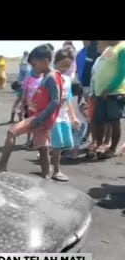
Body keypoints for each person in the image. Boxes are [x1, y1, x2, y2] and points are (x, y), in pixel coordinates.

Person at [0, 44, 63, 179]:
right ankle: (46, 174)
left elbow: (55, 101)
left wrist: (39, 118)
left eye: (35, 65)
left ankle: (2, 164)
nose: (33, 69)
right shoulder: (49, 75)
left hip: (40, 118)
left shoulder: (51, 77)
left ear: (45, 61)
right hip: (43, 117)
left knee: (12, 132)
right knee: (42, 146)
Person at [48, 48, 80, 182]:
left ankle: (48, 158)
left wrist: (73, 117)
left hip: (64, 115)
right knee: (58, 144)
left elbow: (68, 100)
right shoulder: (50, 77)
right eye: (62, 65)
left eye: (68, 65)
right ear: (55, 62)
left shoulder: (67, 79)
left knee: (66, 143)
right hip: (52, 116)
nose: (65, 68)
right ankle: (56, 170)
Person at [90, 40, 125, 160]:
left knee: (114, 121)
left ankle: (112, 149)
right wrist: (94, 91)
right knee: (97, 120)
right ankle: (100, 146)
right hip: (100, 93)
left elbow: (121, 73)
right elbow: (98, 71)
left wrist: (109, 88)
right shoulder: (107, 48)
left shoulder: (122, 48)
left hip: (114, 93)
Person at [68, 81, 90, 159]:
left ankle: (65, 151)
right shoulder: (80, 98)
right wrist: (88, 117)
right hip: (80, 122)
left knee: (70, 137)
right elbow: (83, 109)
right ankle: (74, 154)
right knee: (77, 138)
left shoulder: (68, 98)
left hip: (70, 121)